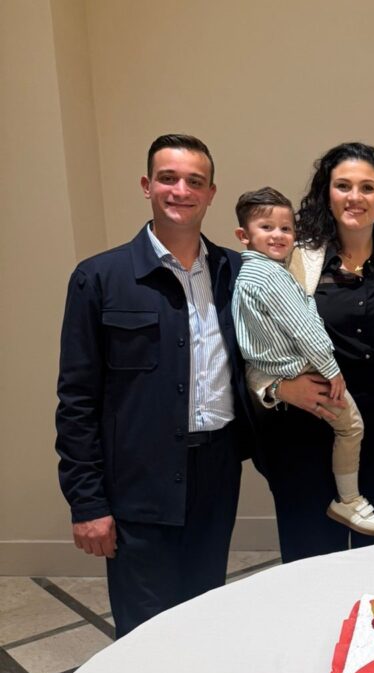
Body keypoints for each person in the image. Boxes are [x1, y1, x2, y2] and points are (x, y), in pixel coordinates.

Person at [56, 134, 257, 637]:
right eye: (168, 178)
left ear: (211, 193)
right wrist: (87, 503)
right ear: (147, 186)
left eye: (194, 181)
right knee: (145, 631)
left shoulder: (237, 273)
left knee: (204, 613)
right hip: (138, 480)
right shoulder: (99, 278)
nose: (181, 191)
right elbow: (77, 400)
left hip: (217, 472)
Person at [247, 143, 374, 562]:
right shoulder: (292, 257)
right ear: (327, 194)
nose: (354, 197)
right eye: (343, 185)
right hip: (307, 434)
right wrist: (277, 389)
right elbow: (254, 341)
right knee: (311, 564)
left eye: (367, 188)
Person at [231, 187, 374, 536]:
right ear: (243, 235)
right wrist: (331, 370)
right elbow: (303, 329)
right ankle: (349, 499)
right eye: (267, 228)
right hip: (304, 373)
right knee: (351, 426)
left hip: (279, 372)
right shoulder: (271, 276)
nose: (279, 235)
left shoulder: (249, 276)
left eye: (286, 228)